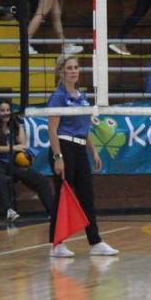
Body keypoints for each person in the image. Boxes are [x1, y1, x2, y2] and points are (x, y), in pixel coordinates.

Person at [45, 54, 118, 258]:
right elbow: (52, 129)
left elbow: (84, 128)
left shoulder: (82, 97)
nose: (73, 71)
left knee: (87, 196)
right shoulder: (58, 96)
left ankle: (95, 242)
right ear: (61, 71)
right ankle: (57, 244)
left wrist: (93, 151)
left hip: (79, 149)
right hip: (64, 147)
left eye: (76, 67)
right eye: (69, 68)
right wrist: (58, 157)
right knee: (63, 197)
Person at [0, 99, 54, 223]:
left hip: (13, 163)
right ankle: (9, 211)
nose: (5, 113)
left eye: (8, 110)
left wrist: (20, 125)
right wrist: (13, 148)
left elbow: (23, 145)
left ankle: (53, 212)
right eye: (2, 110)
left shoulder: (14, 126)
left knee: (41, 181)